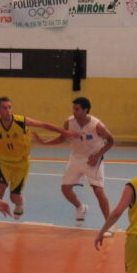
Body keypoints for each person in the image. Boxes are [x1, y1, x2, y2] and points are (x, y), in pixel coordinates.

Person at [0, 96, 75, 238]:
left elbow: (44, 125)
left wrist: (64, 132)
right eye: (4, 108)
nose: (8, 110)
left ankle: (19, 203)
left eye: (9, 107)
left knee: (14, 197)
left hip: (21, 164)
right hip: (5, 163)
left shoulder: (21, 121)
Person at [32, 97, 116, 234]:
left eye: (77, 109)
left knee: (98, 191)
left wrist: (97, 155)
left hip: (93, 159)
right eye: (73, 109)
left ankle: (109, 225)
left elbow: (111, 141)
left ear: (85, 110)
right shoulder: (69, 122)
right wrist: (45, 142)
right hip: (76, 158)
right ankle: (80, 207)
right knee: (65, 189)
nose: (74, 112)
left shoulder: (97, 125)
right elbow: (62, 138)